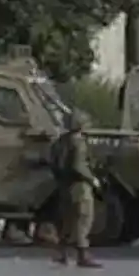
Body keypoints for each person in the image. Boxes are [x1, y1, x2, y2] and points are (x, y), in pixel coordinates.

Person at [51, 111, 102, 268]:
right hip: (80, 185)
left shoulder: (61, 141)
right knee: (83, 219)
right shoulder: (78, 142)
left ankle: (63, 254)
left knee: (68, 220)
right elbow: (78, 165)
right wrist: (92, 179)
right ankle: (83, 255)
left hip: (64, 185)